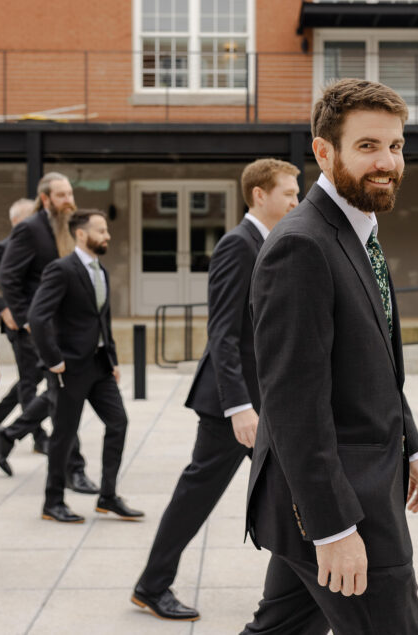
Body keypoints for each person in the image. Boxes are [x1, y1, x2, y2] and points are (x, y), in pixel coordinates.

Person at [241, 79, 418, 635]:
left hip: (333, 485)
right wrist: (332, 530)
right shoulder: (303, 246)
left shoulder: (358, 230)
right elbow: (291, 402)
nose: (388, 162)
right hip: (343, 502)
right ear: (324, 152)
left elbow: (370, 364)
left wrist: (412, 443)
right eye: (368, 146)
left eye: (396, 146)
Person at [132, 159, 300, 621]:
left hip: (263, 402)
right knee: (199, 494)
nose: (296, 200)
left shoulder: (271, 243)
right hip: (235, 407)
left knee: (292, 491)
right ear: (259, 196)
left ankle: (294, 595)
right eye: (288, 192)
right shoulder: (237, 245)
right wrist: (240, 406)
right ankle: (152, 585)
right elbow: (223, 333)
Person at [28, 209, 143, 523]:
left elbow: (102, 319)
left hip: (99, 366)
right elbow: (38, 317)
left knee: (118, 423)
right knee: (64, 435)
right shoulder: (61, 269)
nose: (107, 236)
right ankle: (53, 502)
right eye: (101, 231)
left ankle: (107, 497)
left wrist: (114, 360)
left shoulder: (100, 270)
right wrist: (53, 360)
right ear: (81, 233)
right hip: (69, 369)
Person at [0, 172, 97, 493]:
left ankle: (7, 436)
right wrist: (26, 319)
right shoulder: (29, 229)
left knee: (58, 392)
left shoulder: (69, 227)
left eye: (70, 193)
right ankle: (75, 469)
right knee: (65, 394)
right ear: (46, 199)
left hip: (69, 327)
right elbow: (7, 276)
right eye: (62, 195)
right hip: (44, 328)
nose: (69, 200)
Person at [0, 197, 48, 456]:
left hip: (40, 325)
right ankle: (38, 436)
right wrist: (5, 311)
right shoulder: (4, 247)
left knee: (30, 379)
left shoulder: (41, 246)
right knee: (31, 381)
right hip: (20, 327)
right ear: (18, 221)